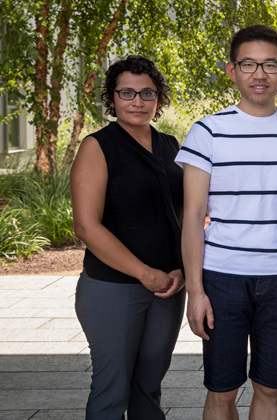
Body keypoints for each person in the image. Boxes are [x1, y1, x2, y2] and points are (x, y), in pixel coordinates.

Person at [176, 25, 277, 419]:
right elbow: (192, 215)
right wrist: (195, 290)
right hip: (222, 278)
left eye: (269, 65)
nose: (259, 74)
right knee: (222, 391)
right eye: (248, 64)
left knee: (271, 388)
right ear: (232, 70)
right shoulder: (206, 131)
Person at [71, 55, 185, 419]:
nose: (138, 101)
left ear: (158, 98)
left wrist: (181, 270)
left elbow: (183, 214)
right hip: (113, 288)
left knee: (148, 387)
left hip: (169, 285)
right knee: (112, 388)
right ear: (112, 98)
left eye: (147, 93)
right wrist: (143, 272)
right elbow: (86, 226)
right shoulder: (97, 146)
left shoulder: (171, 145)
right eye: (127, 93)